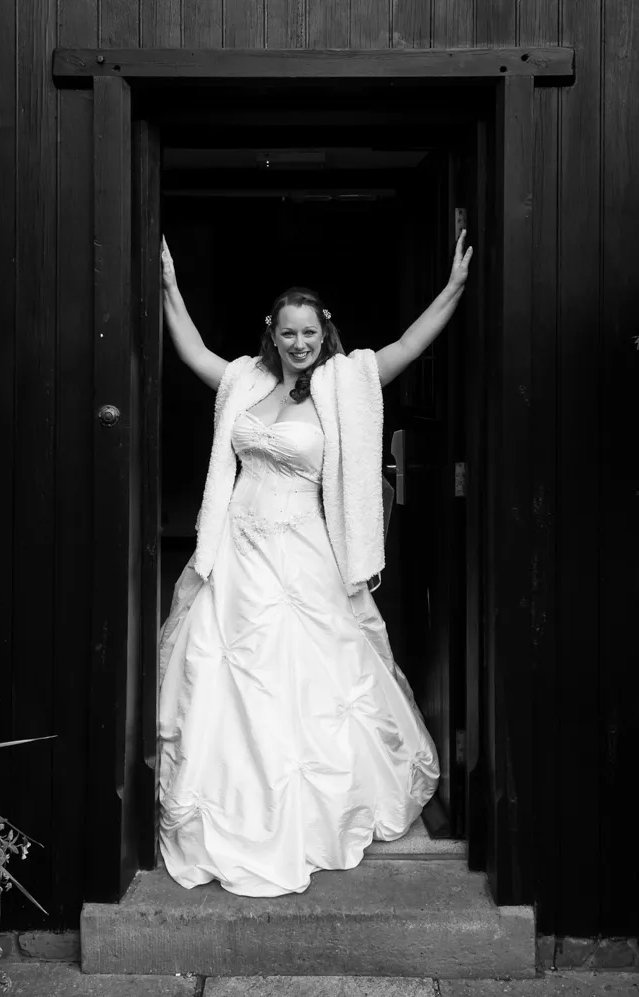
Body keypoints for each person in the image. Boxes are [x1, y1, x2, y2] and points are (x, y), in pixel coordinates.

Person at [158, 232, 473, 897]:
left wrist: (450, 290)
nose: (299, 342)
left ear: (323, 331)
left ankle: (315, 805)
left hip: (303, 547)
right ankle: (235, 800)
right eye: (287, 332)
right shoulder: (244, 378)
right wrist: (168, 286)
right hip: (236, 545)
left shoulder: (342, 382)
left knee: (312, 670)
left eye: (309, 331)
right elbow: (191, 351)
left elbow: (406, 348)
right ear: (270, 334)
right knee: (225, 667)